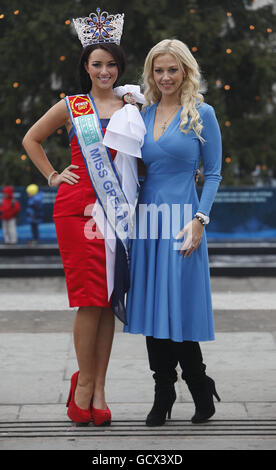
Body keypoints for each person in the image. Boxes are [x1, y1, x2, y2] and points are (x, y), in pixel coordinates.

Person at [22, 8, 145, 426]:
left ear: (119, 67)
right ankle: (85, 386)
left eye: (111, 64)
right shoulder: (73, 106)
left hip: (118, 212)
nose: (104, 70)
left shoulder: (134, 106)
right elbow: (31, 138)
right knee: (88, 299)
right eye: (97, 64)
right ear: (86, 67)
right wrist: (54, 174)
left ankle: (100, 388)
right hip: (77, 210)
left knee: (108, 301)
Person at [124, 39, 222, 426]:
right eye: (158, 70)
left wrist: (200, 220)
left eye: (172, 70)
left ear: (185, 72)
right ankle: (163, 391)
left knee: (177, 306)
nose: (165, 77)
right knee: (153, 308)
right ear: (151, 73)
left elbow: (212, 173)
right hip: (148, 221)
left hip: (184, 219)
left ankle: (198, 384)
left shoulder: (203, 113)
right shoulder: (141, 115)